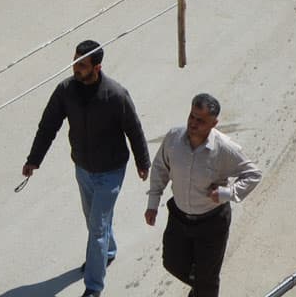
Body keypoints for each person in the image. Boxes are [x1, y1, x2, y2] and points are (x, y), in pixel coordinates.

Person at [24, 40, 151, 294]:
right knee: (94, 220)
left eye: (81, 65)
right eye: (75, 62)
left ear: (97, 66)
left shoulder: (115, 95)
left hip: (111, 171)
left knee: (97, 228)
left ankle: (93, 286)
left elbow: (134, 130)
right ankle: (108, 251)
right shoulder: (65, 91)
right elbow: (48, 126)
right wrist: (34, 160)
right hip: (82, 168)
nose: (76, 68)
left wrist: (142, 161)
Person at [144, 93, 262, 297]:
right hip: (179, 219)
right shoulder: (173, 138)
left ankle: (204, 288)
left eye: (201, 120)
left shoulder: (224, 149)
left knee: (207, 281)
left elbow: (253, 174)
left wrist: (227, 193)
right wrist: (153, 203)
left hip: (212, 223)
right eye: (192, 116)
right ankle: (203, 288)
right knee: (172, 263)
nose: (193, 123)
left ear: (214, 123)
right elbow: (160, 169)